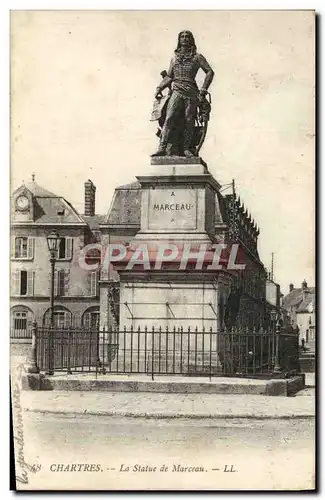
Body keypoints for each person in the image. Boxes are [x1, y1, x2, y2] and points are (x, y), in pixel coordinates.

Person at [151, 30, 214, 158]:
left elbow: (209, 71)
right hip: (177, 90)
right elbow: (169, 76)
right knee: (169, 118)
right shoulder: (174, 58)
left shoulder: (197, 57)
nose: (184, 39)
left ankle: (186, 148)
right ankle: (162, 147)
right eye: (182, 37)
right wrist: (159, 87)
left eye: (187, 37)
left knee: (189, 121)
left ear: (191, 39)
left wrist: (204, 89)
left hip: (191, 92)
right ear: (179, 40)